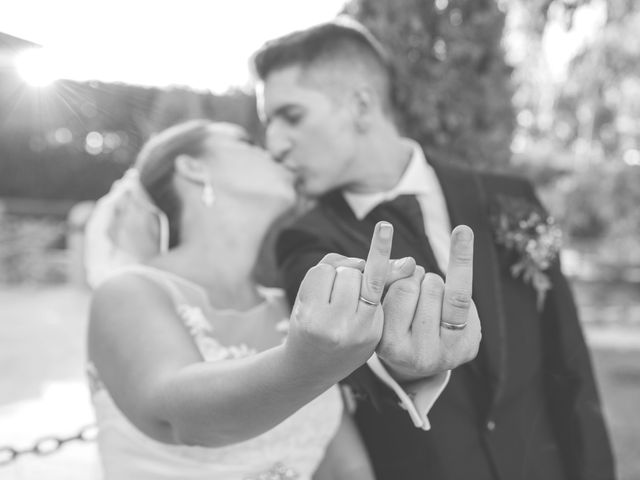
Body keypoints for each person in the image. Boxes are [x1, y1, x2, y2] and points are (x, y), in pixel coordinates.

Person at [252, 18, 616, 480]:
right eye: (269, 124)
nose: (275, 145)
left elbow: (569, 365)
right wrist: (404, 371)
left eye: (291, 116)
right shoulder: (306, 241)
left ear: (360, 104)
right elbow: (342, 353)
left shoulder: (508, 197)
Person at [84, 120, 476, 480]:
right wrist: (307, 362)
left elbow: (345, 467)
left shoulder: (290, 307)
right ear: (193, 167)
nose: (273, 148)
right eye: (248, 142)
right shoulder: (128, 292)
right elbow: (178, 417)